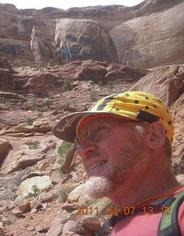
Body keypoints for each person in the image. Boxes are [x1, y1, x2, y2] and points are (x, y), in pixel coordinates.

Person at [52, 91, 184, 235]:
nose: (82, 151)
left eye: (100, 129)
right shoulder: (115, 223)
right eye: (79, 140)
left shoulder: (179, 215)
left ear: (154, 135)